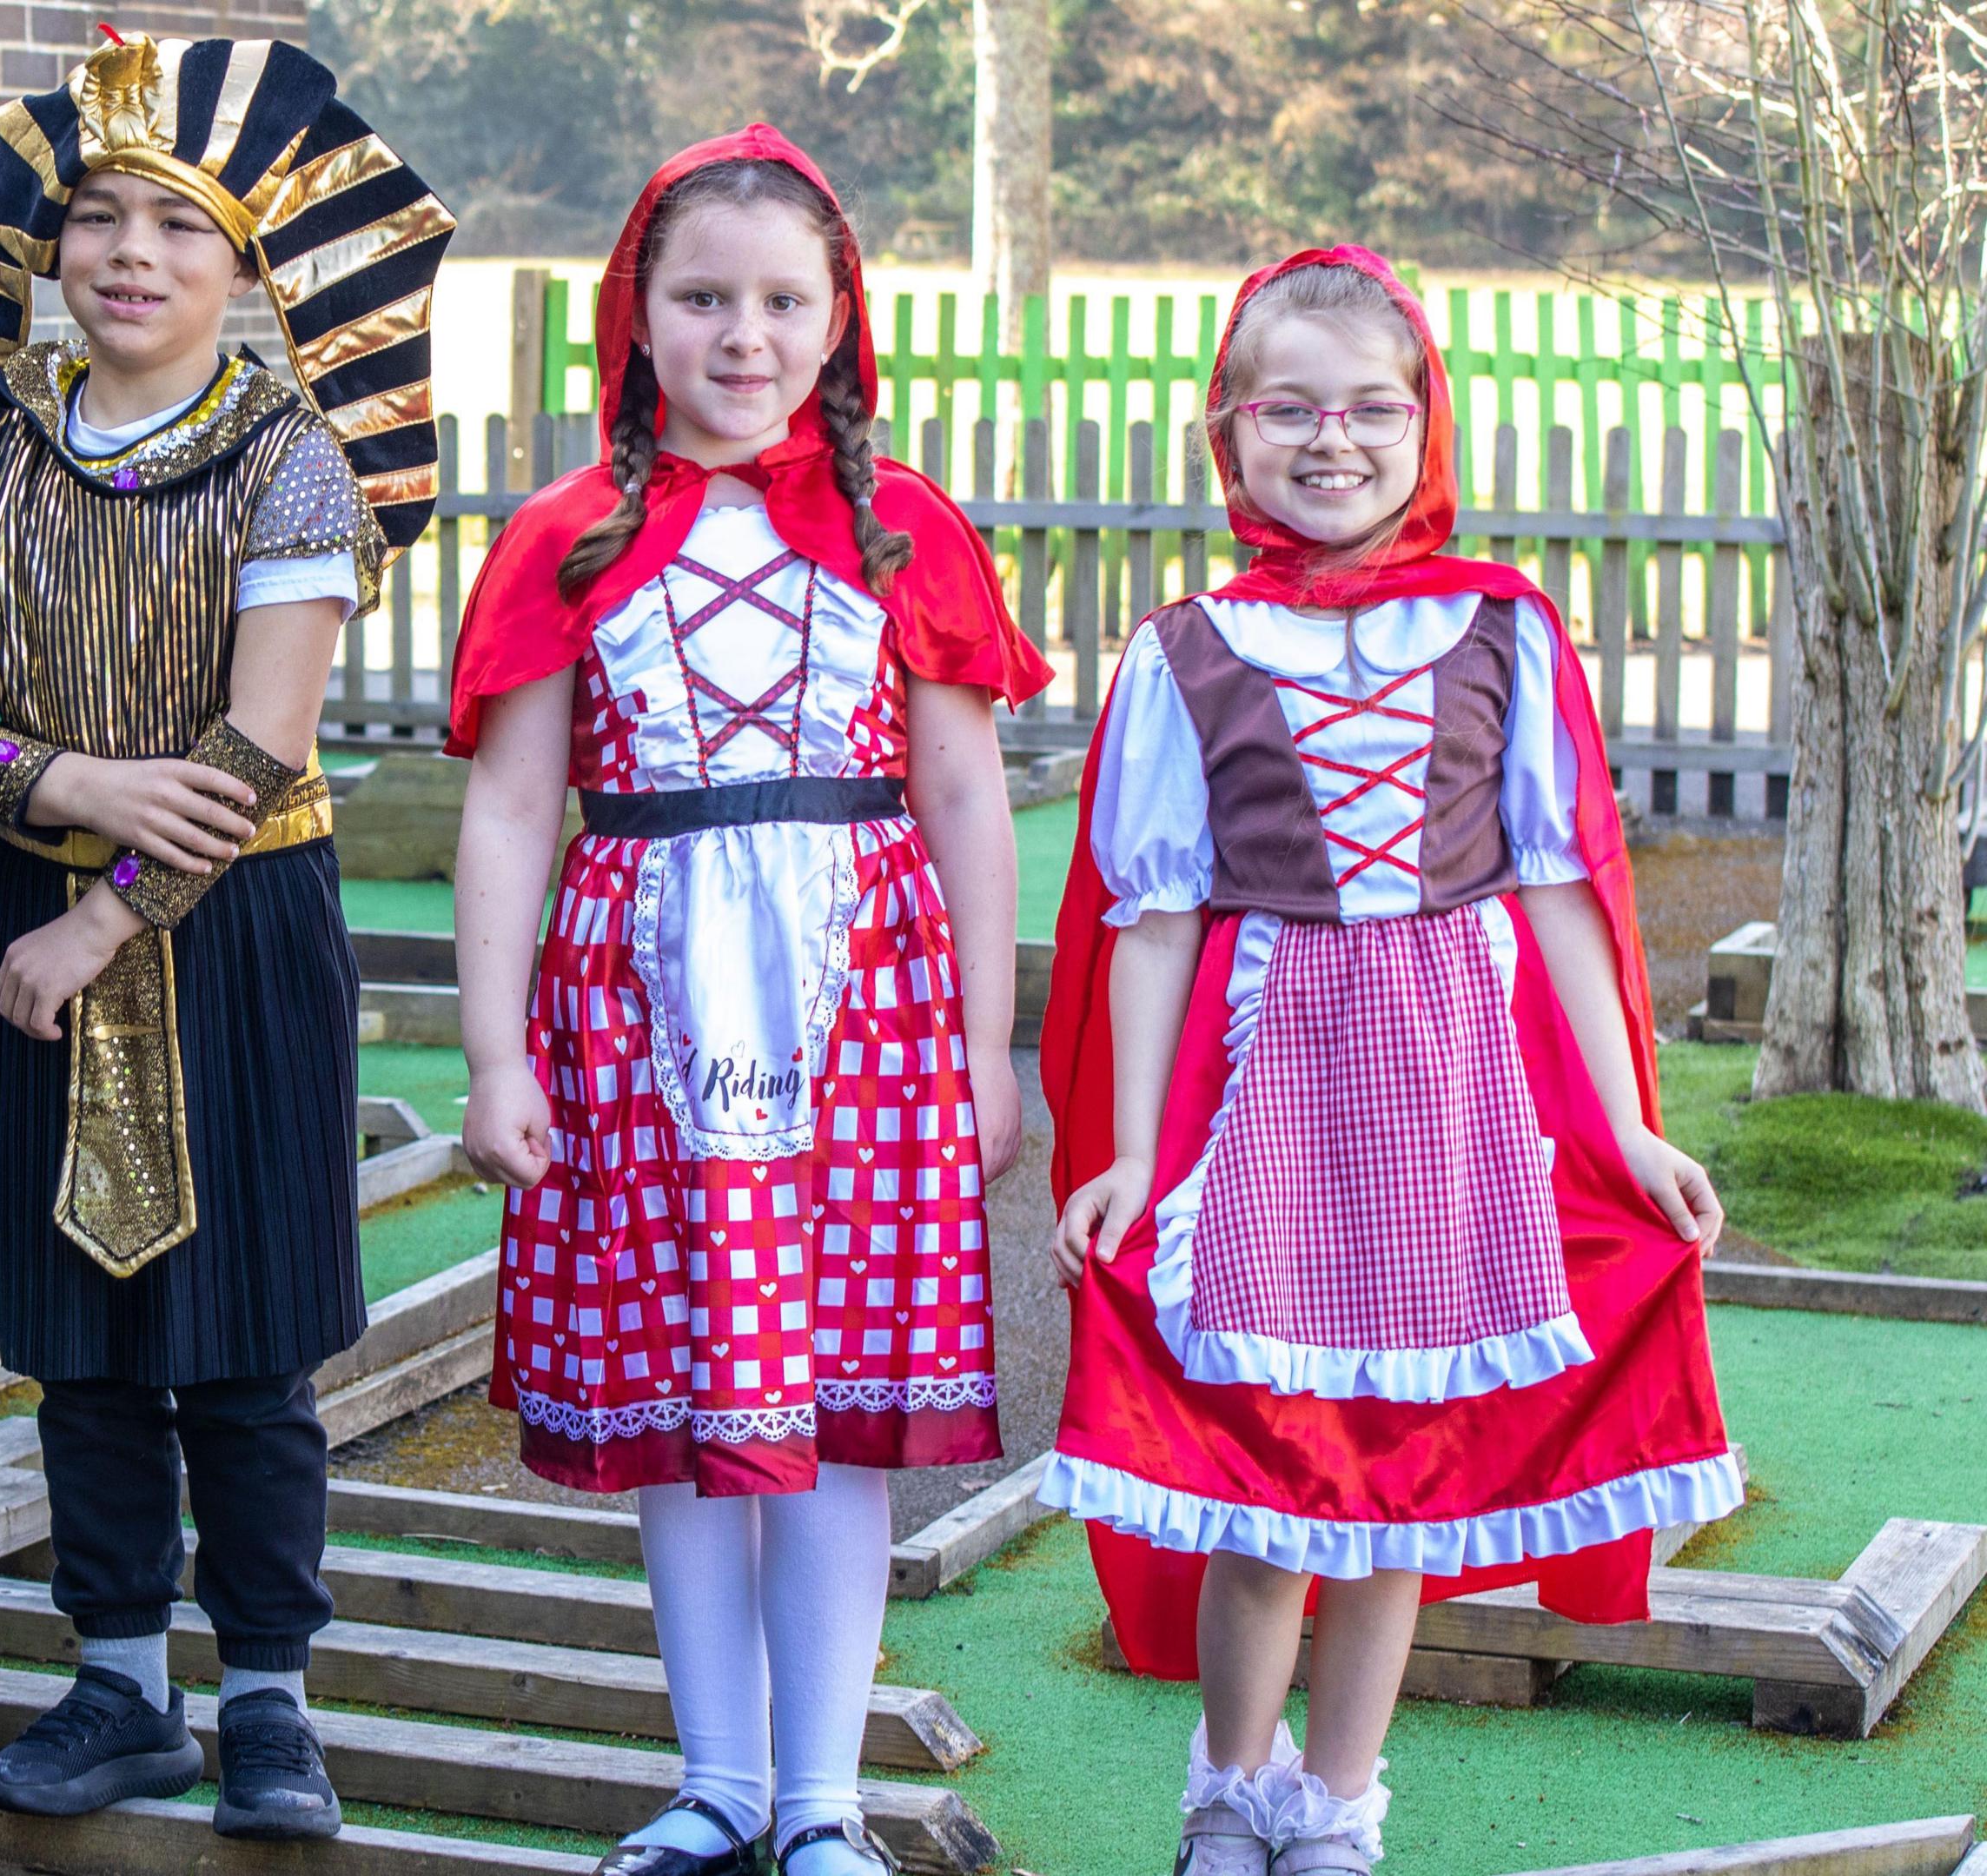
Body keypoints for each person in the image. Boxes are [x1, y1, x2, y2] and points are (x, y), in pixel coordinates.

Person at [1036, 247, 1743, 1876]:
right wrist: (1132, 1151)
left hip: (1456, 1106)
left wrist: (1628, 1126)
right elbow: (1152, 919)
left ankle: (1340, 1806)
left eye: (1371, 408)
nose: (1331, 440)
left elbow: (1565, 889)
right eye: (1290, 409)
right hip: (1269, 1100)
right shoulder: (1187, 649)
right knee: (1267, 1483)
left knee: (1396, 1495)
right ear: (1230, 432)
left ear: (1428, 425)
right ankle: (1231, 1788)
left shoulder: (1501, 626)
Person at [0, 28, 452, 1842]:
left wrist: (100, 911)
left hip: (241, 915)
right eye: (96, 220)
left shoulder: (291, 464)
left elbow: (262, 743)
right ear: (50, 256)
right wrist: (89, 800)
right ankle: (120, 1685)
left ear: (243, 270)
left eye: (176, 229)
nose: (129, 255)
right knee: (88, 1337)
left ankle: (270, 1698)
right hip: (60, 887)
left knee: (245, 1346)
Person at [441, 128, 1044, 1876]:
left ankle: (826, 1801)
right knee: (683, 1420)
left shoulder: (902, 528)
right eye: (701, 298)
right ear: (635, 315)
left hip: (869, 1017)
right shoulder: (566, 538)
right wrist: (493, 1050)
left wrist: (989, 1044)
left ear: (841, 314)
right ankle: (716, 1782)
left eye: (785, 300)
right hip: (633, 1019)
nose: (743, 336)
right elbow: (504, 807)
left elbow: (961, 794)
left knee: (836, 1409)